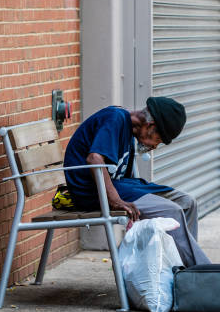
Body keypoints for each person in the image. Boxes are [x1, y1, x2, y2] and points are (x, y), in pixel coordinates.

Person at [63, 96, 210, 267]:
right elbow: (94, 159)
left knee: (187, 202)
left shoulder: (128, 127)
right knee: (173, 211)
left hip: (119, 185)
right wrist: (115, 200)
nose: (155, 146)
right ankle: (200, 273)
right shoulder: (114, 117)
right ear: (150, 126)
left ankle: (183, 268)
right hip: (91, 191)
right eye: (158, 140)